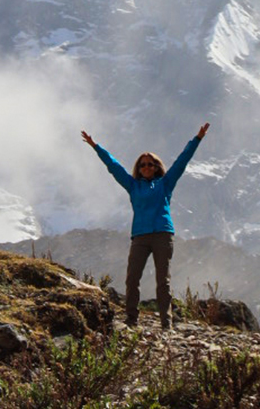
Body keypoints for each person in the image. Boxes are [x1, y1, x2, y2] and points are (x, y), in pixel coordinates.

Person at [82, 122, 210, 330]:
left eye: (150, 164)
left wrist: (197, 139)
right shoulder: (132, 185)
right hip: (140, 236)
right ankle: (132, 319)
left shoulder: (166, 183)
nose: (146, 167)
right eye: (142, 165)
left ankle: (166, 324)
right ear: (138, 169)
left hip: (162, 234)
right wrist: (96, 147)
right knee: (132, 278)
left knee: (163, 281)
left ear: (157, 166)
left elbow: (182, 161)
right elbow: (114, 167)